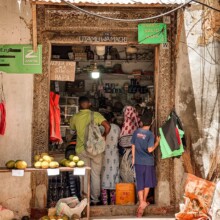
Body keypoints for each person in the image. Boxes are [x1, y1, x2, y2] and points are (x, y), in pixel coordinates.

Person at [70, 96, 111, 205]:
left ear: (79, 105)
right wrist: (104, 136)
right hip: (96, 149)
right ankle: (95, 199)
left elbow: (72, 129)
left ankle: (85, 199)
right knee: (96, 175)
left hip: (81, 149)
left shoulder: (75, 117)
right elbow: (107, 126)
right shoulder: (95, 115)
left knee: (84, 175)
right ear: (89, 104)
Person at [131, 113, 160, 217]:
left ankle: (141, 202)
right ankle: (143, 201)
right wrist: (157, 142)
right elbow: (150, 149)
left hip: (138, 161)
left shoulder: (136, 132)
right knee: (147, 182)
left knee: (140, 182)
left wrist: (133, 158)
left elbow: (133, 145)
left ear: (141, 122)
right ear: (151, 122)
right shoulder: (150, 134)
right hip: (148, 162)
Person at [101, 112, 120, 205]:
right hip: (114, 155)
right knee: (114, 175)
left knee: (104, 176)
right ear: (112, 119)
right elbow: (120, 141)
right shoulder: (117, 128)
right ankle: (113, 202)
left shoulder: (101, 128)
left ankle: (104, 202)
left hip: (104, 155)